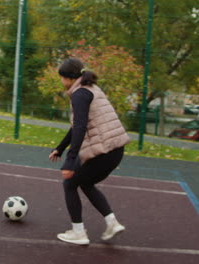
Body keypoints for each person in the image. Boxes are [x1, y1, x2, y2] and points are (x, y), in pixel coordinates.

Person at [49, 58, 130, 245]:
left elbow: (79, 126)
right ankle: (112, 222)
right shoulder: (92, 89)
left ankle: (78, 232)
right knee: (85, 183)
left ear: (68, 78)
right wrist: (60, 148)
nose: (61, 82)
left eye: (61, 78)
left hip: (102, 152)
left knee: (69, 183)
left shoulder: (79, 95)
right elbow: (77, 125)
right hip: (115, 150)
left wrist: (70, 160)